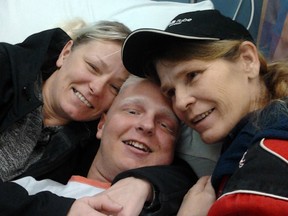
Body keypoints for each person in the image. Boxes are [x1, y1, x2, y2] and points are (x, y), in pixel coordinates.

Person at [0, 21, 198, 215]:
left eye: (114, 87)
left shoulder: (86, 138)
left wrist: (144, 184)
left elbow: (177, 173)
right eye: (93, 67)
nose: (97, 88)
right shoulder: (6, 67)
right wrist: (60, 209)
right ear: (66, 53)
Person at [121, 9, 288, 215]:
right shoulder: (249, 142)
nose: (180, 103)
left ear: (248, 60)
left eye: (192, 75)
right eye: (171, 92)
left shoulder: (272, 152)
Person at [12, 75, 180, 215]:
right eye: (132, 111)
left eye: (165, 125)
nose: (147, 125)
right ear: (101, 125)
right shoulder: (28, 190)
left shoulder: (189, 207)